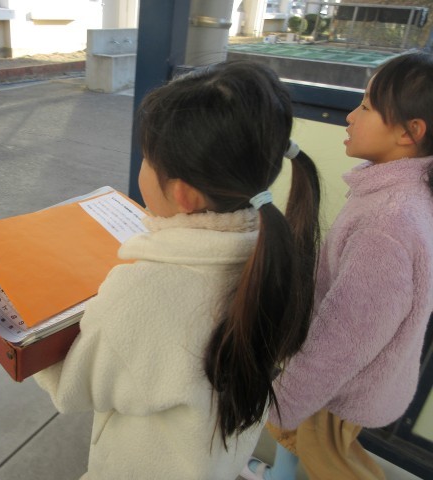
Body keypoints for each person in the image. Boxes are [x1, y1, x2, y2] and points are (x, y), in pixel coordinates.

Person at [33, 60, 321, 479]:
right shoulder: (277, 254)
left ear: (183, 194)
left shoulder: (145, 293)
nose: (143, 167)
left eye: (148, 159)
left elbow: (74, 385)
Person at [242, 52, 433, 480]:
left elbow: (344, 337)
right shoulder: (397, 191)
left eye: (365, 107)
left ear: (410, 132)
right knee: (297, 437)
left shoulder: (388, 223)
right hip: (347, 378)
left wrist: (283, 400)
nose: (350, 116)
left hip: (341, 388)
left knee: (332, 462)